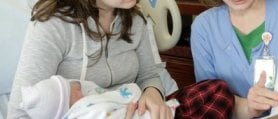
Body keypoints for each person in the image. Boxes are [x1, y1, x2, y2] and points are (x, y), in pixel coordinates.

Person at [8, 0, 234, 119]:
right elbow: (19, 113)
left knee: (217, 92)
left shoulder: (135, 20)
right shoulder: (53, 27)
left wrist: (153, 95)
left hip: (135, 110)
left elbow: (149, 75)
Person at [19, 75, 179, 119]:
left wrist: (152, 90)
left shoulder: (134, 19)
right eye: (70, 89)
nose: (77, 86)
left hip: (157, 104)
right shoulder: (85, 111)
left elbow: (149, 73)